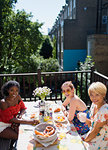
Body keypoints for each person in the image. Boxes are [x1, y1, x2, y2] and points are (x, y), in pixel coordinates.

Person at [0, 80, 39, 149]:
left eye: (16, 90)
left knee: (28, 132)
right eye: (11, 90)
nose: (14, 93)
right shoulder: (3, 102)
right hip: (2, 124)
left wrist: (20, 115)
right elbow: (11, 119)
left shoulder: (17, 97)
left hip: (14, 122)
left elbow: (23, 108)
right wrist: (30, 122)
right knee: (20, 136)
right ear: (7, 90)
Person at [82, 82, 108, 150]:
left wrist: (84, 141)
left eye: (97, 95)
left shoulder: (104, 110)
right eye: (91, 95)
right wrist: (84, 119)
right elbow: (92, 125)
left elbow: (95, 131)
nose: (94, 98)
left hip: (100, 141)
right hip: (92, 135)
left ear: (103, 95)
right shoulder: (94, 105)